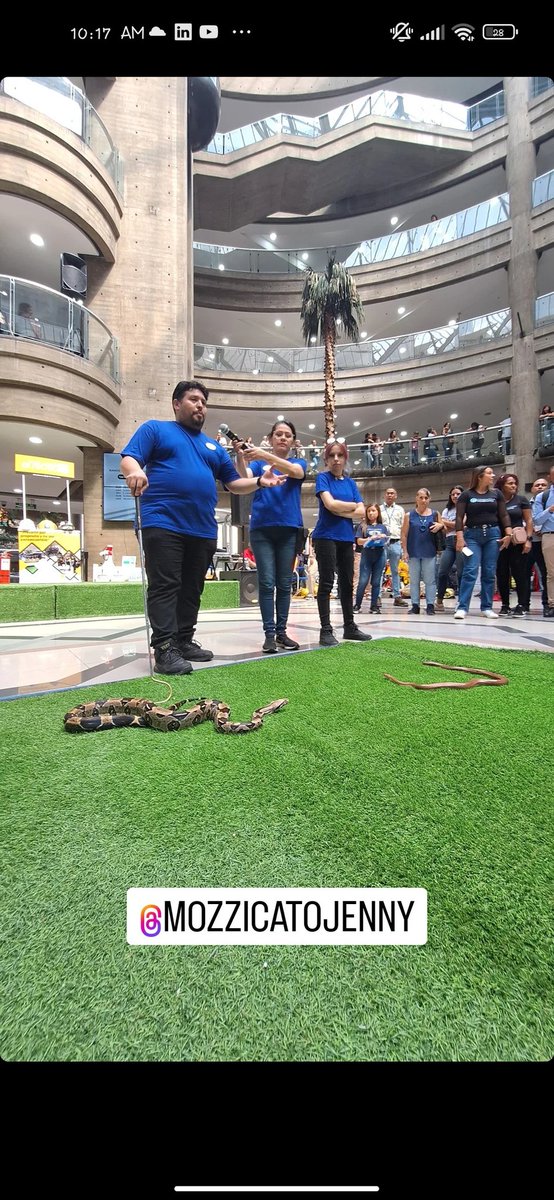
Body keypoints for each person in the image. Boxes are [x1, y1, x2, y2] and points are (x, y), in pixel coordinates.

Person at [120, 379, 284, 674]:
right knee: (166, 585)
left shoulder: (213, 446)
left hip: (202, 529)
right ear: (176, 403)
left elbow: (234, 484)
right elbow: (130, 457)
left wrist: (260, 481)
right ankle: (165, 648)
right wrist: (134, 471)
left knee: (192, 588)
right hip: (163, 522)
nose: (200, 406)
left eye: (203, 402)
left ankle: (183, 640)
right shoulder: (156, 429)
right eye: (194, 399)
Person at [232, 419, 306, 653]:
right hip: (262, 529)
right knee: (266, 583)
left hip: (288, 529)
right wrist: (240, 457)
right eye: (279, 434)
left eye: (287, 435)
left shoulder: (297, 462)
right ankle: (269, 634)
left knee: (284, 583)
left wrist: (263, 455)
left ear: (293, 441)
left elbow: (295, 472)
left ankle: (282, 632)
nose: (283, 438)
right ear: (271, 438)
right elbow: (244, 479)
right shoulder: (260, 465)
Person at [312, 441, 372, 646]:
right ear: (326, 460)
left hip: (346, 538)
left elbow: (362, 512)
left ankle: (349, 627)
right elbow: (329, 504)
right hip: (325, 536)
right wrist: (351, 506)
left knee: (347, 584)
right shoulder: (322, 478)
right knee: (327, 582)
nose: (336, 459)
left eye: (340, 455)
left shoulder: (350, 483)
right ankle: (326, 630)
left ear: (345, 458)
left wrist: (341, 508)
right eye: (332, 455)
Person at [453, 466, 512, 619]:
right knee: (470, 570)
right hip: (472, 535)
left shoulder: (496, 494)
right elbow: (459, 518)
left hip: (493, 535)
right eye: (489, 473)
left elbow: (504, 514)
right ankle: (462, 607)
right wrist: (460, 537)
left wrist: (509, 533)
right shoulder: (466, 495)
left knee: (489, 571)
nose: (493, 475)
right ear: (479, 476)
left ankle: (487, 607)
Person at [401, 488, 444, 615]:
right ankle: (415, 605)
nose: (423, 500)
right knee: (413, 580)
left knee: (430, 580)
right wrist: (405, 551)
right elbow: (404, 534)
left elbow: (444, 528)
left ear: (429, 499)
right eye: (421, 497)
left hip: (429, 551)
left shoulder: (435, 513)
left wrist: (440, 525)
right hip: (413, 551)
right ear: (416, 498)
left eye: (426, 498)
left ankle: (430, 605)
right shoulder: (409, 515)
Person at [495, 473, 533, 616]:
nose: (513, 486)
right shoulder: (496, 501)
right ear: (501, 485)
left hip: (518, 542)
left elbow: (529, 520)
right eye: (510, 483)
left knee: (520, 573)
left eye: (514, 483)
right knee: (502, 573)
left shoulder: (521, 500)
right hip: (501, 542)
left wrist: (528, 539)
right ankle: (505, 604)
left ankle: (522, 604)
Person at [353, 504, 389, 614]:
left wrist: (383, 537)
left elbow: (387, 540)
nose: (371, 513)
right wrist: (369, 539)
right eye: (369, 511)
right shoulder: (362, 526)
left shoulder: (383, 527)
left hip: (380, 554)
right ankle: (357, 605)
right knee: (363, 580)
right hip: (367, 554)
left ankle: (374, 606)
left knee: (376, 581)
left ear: (378, 512)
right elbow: (358, 541)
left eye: (373, 511)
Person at [435, 485, 464, 611]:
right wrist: (449, 524)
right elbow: (445, 529)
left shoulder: (466, 508)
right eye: (453, 494)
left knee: (461, 572)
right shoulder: (447, 510)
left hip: (461, 540)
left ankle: (462, 601)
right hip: (449, 542)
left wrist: (445, 522)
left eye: (458, 494)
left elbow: (462, 525)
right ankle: (439, 601)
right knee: (442, 572)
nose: (455, 496)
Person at [533, 463, 554, 617]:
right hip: (549, 536)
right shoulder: (543, 496)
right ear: (550, 477)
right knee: (551, 573)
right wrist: (550, 510)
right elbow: (537, 520)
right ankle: (552, 604)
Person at [381, 487, 408, 607]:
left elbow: (403, 528)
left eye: (392, 493)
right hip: (382, 542)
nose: (390, 495)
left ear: (396, 496)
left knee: (395, 571)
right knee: (379, 570)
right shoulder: (379, 509)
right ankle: (377, 596)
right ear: (384, 495)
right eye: (388, 493)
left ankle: (397, 596)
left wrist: (403, 546)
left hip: (396, 542)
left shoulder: (400, 510)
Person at [527, 477, 549, 614]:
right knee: (523, 573)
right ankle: (524, 603)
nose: (540, 487)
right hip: (529, 543)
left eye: (543, 485)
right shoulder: (526, 503)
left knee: (546, 574)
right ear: (532, 488)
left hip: (545, 542)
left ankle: (547, 604)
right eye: (537, 485)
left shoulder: (549, 502)